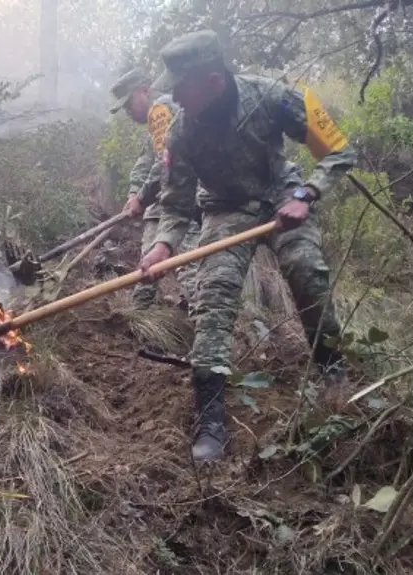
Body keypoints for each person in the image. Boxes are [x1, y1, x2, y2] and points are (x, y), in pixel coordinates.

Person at [138, 30, 357, 463]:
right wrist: (164, 244)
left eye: (182, 86)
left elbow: (338, 151)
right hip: (224, 209)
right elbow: (176, 202)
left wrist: (307, 194)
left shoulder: (272, 97)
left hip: (283, 199)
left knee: (306, 272)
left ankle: (333, 370)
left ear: (214, 80)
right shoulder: (180, 133)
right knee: (213, 296)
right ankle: (211, 419)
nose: (175, 96)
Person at [109, 68, 202, 312]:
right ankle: (138, 322)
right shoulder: (156, 119)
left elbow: (165, 162)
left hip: (183, 201)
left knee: (188, 267)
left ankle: (206, 334)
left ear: (144, 91)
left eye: (129, 104)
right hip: (162, 203)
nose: (128, 112)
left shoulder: (161, 109)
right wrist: (133, 193)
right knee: (148, 265)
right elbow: (146, 160)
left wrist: (141, 198)